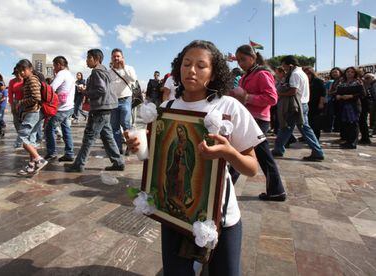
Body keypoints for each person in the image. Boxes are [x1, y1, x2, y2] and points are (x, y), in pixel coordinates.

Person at [126, 40, 265, 276]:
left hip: (219, 217)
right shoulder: (167, 108)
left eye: (201, 66)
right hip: (175, 214)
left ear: (213, 73)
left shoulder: (228, 106)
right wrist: (140, 146)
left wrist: (229, 152)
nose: (192, 70)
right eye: (186, 64)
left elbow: (252, 168)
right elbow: (160, 159)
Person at [233, 44, 285, 201]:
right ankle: (276, 191)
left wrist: (247, 97)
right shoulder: (246, 76)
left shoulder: (262, 74)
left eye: (243, 59)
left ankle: (277, 191)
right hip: (249, 119)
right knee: (249, 155)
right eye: (238, 60)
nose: (240, 63)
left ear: (253, 57)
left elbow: (272, 98)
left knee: (248, 155)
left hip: (259, 120)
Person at [65, 49, 125, 172]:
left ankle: (79, 165)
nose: (87, 61)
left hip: (99, 109)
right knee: (107, 137)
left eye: (89, 58)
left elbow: (101, 90)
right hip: (106, 108)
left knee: (89, 137)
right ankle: (118, 162)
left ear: (96, 59)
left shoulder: (97, 72)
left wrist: (85, 92)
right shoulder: (104, 70)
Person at [272, 55, 324, 161]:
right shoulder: (301, 73)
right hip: (301, 104)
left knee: (298, 128)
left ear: (290, 65)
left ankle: (317, 151)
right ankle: (278, 149)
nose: (284, 68)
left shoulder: (295, 74)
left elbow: (293, 91)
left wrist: (280, 94)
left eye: (284, 66)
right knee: (288, 128)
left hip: (296, 105)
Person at [15, 59, 47, 175]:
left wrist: (21, 102)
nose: (22, 73)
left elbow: (36, 98)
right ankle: (31, 165)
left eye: (24, 70)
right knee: (31, 139)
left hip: (33, 112)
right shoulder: (29, 80)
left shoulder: (32, 79)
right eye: (20, 71)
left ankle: (39, 159)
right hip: (34, 112)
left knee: (22, 137)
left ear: (30, 69)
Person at [44, 56, 75, 162]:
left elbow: (51, 88)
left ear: (58, 65)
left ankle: (52, 153)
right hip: (69, 106)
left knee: (49, 129)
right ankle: (69, 153)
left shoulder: (61, 74)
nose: (53, 68)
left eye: (54, 66)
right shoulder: (70, 74)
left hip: (61, 108)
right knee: (66, 129)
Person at [109, 48, 137, 154]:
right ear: (111, 58)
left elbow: (133, 79)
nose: (116, 58)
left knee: (125, 124)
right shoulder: (109, 72)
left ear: (122, 58)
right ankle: (118, 148)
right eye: (114, 56)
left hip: (125, 99)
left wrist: (124, 67)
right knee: (114, 126)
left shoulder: (129, 68)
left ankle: (130, 146)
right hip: (113, 101)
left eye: (118, 56)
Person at [335, 67, 366, 149]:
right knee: (346, 124)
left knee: (353, 124)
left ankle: (353, 142)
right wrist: (338, 96)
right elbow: (337, 92)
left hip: (353, 106)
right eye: (348, 72)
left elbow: (363, 94)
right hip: (343, 105)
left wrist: (351, 96)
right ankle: (347, 141)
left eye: (352, 72)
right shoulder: (342, 82)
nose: (349, 73)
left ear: (355, 73)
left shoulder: (358, 82)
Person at [303, 66, 326, 141]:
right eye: (305, 73)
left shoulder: (318, 81)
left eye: (309, 73)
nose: (307, 75)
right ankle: (307, 137)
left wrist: (321, 103)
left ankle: (316, 137)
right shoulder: (304, 81)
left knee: (315, 122)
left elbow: (323, 93)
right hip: (307, 103)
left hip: (316, 103)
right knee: (307, 121)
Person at [9, 67, 25, 149]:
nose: (17, 75)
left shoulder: (25, 80)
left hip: (25, 103)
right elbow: (10, 94)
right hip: (16, 103)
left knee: (24, 123)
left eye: (18, 73)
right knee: (16, 122)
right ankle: (21, 137)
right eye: (15, 74)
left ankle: (20, 141)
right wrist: (12, 105)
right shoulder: (12, 81)